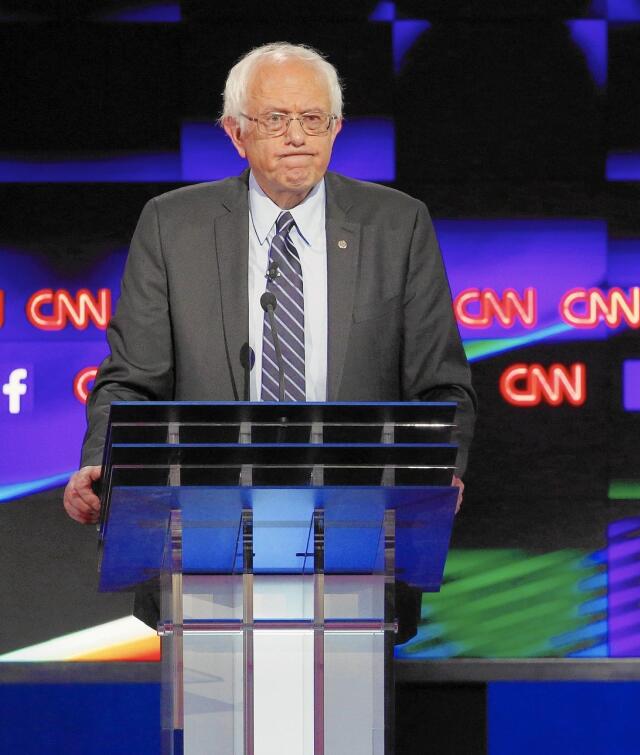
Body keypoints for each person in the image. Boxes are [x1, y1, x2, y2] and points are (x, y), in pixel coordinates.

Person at [61, 42, 476, 641]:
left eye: (313, 119)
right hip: (204, 536)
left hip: (356, 538)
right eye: (275, 119)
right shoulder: (173, 224)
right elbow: (132, 377)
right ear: (235, 132)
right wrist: (102, 463)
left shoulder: (397, 224)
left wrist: (439, 471)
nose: (296, 136)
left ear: (335, 130)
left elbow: (443, 382)